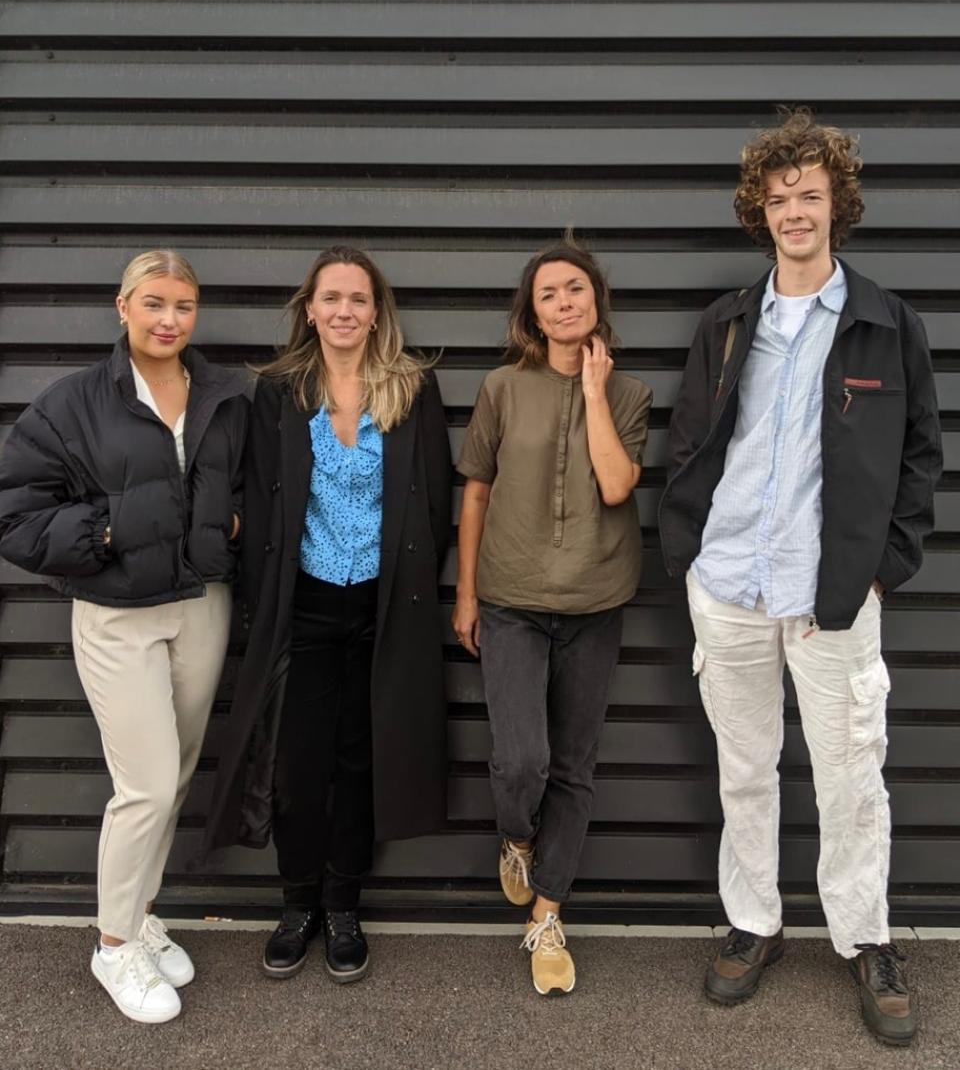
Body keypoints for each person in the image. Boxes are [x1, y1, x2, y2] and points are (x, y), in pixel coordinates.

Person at [658, 109, 942, 1046]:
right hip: (731, 583)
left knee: (852, 776)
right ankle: (754, 921)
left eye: (810, 194)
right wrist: (691, 554)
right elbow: (693, 440)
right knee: (744, 771)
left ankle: (866, 939)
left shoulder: (885, 323)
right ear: (760, 210)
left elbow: (920, 458)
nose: (794, 211)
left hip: (834, 597)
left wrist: (882, 571)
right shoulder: (727, 322)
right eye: (779, 197)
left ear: (837, 205)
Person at [0, 250, 248, 1024]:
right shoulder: (73, 402)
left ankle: (139, 915)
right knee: (145, 785)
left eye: (183, 306)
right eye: (154, 303)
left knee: (174, 777)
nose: (169, 320)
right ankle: (113, 946)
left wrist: (234, 527)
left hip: (201, 606)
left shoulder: (223, 395)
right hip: (117, 615)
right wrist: (112, 526)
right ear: (123, 307)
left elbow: (246, 484)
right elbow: (16, 515)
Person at [202, 245, 452, 984]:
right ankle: (297, 905)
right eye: (331, 298)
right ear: (309, 310)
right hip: (303, 605)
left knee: (362, 761)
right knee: (297, 766)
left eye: (358, 299)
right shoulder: (279, 392)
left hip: (382, 606)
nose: (345, 311)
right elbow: (258, 497)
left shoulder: (412, 389)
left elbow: (434, 498)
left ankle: (343, 906)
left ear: (377, 313)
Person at [452, 234, 652, 995]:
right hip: (511, 598)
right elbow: (475, 489)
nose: (565, 302)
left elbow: (615, 485)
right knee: (522, 761)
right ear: (531, 315)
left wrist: (595, 393)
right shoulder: (503, 388)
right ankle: (516, 836)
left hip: (596, 601)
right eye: (548, 295)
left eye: (575, 288)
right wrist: (466, 593)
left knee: (573, 766)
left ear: (596, 298)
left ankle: (547, 914)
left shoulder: (629, 394)